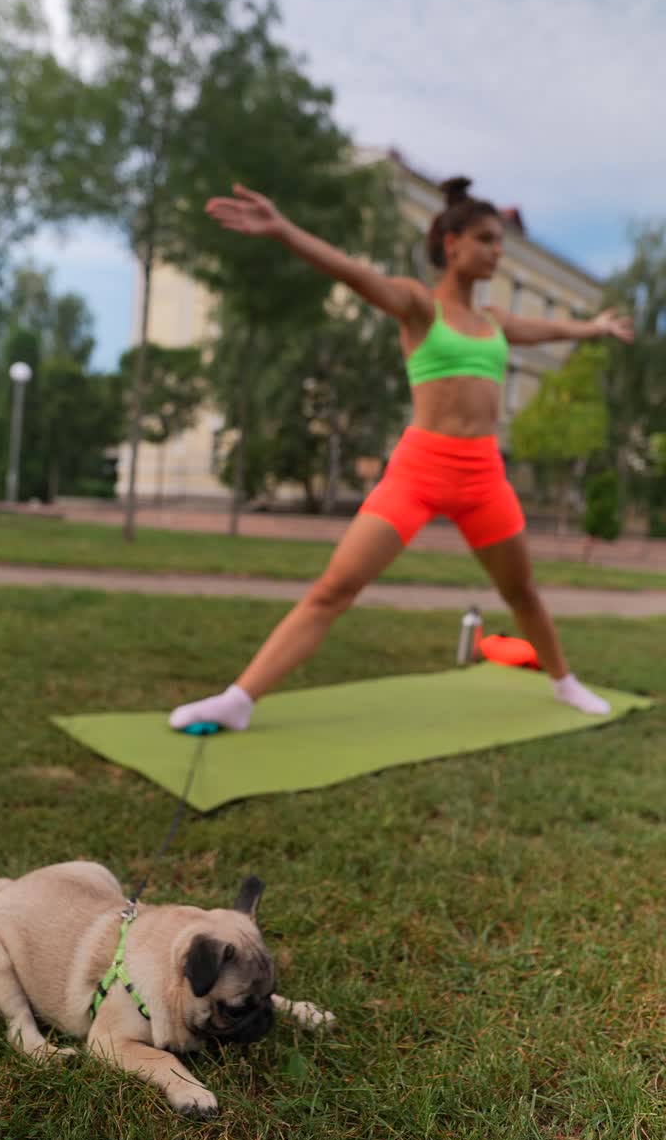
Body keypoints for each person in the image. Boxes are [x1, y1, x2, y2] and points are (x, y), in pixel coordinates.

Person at [170, 176, 633, 732]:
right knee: (334, 589)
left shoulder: (496, 324)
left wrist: (598, 327)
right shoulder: (418, 306)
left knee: (522, 592)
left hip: (485, 476)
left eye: (500, 242)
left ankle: (564, 682)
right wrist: (283, 229)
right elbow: (353, 272)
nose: (496, 252)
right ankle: (239, 699)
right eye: (486, 239)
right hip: (421, 469)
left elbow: (554, 327)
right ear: (452, 242)